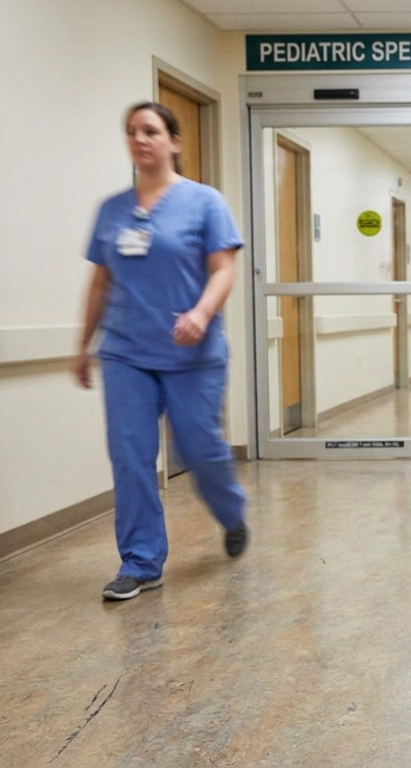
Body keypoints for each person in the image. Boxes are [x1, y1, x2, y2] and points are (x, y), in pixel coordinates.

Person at [73, 102, 250, 601]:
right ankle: (141, 562)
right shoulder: (112, 210)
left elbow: (223, 269)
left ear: (174, 141)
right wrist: (82, 346)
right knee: (130, 456)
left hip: (191, 350)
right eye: (131, 132)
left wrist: (200, 312)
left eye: (150, 130)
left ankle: (231, 511)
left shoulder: (204, 202)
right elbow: (100, 282)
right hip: (126, 351)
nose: (140, 139)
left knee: (199, 447)